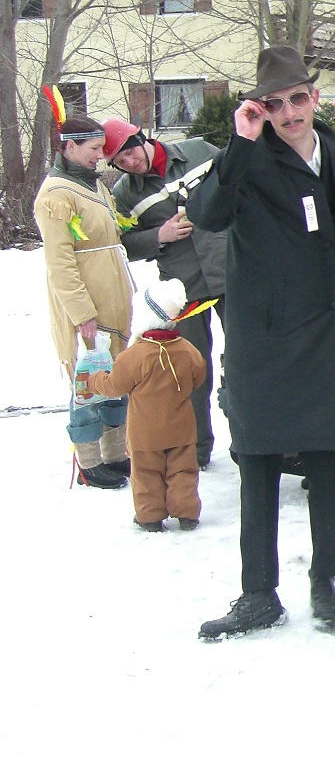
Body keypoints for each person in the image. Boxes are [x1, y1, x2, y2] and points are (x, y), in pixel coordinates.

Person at [188, 45, 335, 641]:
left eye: (297, 99)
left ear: (314, 98)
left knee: (327, 462)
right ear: (259, 109)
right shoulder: (246, 159)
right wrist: (239, 143)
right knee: (258, 465)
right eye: (275, 104)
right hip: (264, 339)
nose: (289, 113)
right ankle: (258, 592)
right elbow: (208, 215)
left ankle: (323, 579)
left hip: (327, 333)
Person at [103, 119, 225, 469]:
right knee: (186, 369)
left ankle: (256, 445)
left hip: (231, 271)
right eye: (119, 161)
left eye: (129, 152)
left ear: (142, 138)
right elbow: (124, 244)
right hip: (182, 289)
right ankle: (196, 450)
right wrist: (159, 235)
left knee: (247, 360)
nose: (128, 162)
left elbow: (239, 183)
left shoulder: (198, 151)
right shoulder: (125, 194)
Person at [33, 103, 133, 490]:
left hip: (112, 298)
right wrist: (81, 312)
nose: (100, 156)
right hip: (86, 304)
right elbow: (59, 261)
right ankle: (89, 462)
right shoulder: (56, 195)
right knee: (88, 379)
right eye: (93, 149)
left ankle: (116, 453)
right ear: (70, 147)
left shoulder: (95, 186)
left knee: (113, 373)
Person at [85, 279, 206, 533]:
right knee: (183, 472)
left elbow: (114, 386)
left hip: (145, 434)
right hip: (182, 430)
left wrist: (94, 380)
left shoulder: (134, 356)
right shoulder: (187, 350)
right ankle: (187, 514)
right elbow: (199, 377)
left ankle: (150, 517)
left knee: (146, 475)